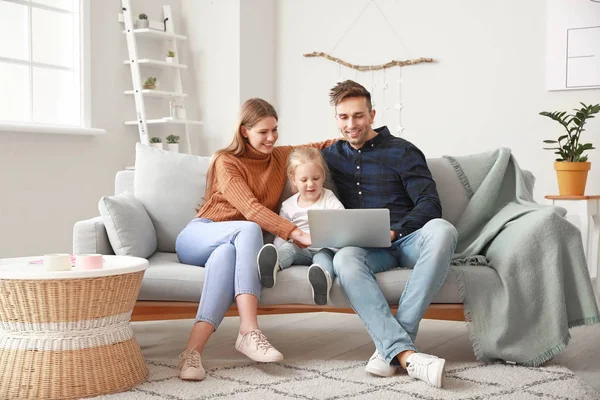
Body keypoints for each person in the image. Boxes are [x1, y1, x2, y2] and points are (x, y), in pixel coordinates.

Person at [175, 98, 336, 381]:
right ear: (244, 131)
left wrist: (355, 138)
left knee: (226, 256)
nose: (271, 137)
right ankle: (249, 331)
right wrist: (296, 233)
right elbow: (250, 209)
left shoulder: (280, 156)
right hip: (201, 234)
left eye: (275, 130)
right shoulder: (227, 161)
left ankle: (191, 354)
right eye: (263, 132)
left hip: (229, 247)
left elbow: (320, 147)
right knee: (249, 227)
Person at [321, 80, 458, 388]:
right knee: (344, 258)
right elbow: (288, 159)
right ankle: (406, 355)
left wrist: (398, 230)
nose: (351, 124)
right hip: (369, 250)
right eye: (343, 117)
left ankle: (393, 347)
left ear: (371, 114)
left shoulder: (403, 151)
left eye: (357, 116)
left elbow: (430, 203)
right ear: (336, 120)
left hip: (407, 240)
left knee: (443, 230)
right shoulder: (330, 155)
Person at [256, 147, 344, 306]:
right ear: (293, 179)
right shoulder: (288, 205)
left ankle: (322, 283)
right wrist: (278, 249)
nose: (311, 184)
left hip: (324, 249)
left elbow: (342, 223)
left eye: (316, 178)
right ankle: (272, 265)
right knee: (288, 249)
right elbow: (281, 235)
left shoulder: (329, 199)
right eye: (304, 180)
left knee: (322, 260)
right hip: (299, 249)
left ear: (323, 175)